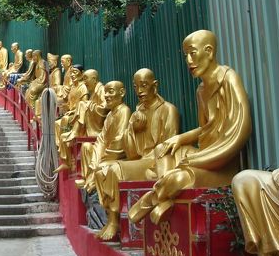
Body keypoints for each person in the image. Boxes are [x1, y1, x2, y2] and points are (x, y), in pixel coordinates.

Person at [129, 30, 252, 224]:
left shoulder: (228, 79)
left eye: (192, 53)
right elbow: (205, 129)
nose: (188, 60)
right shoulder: (201, 90)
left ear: (209, 52)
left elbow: (240, 130)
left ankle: (154, 198)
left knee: (177, 178)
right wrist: (180, 139)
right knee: (163, 149)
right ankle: (165, 198)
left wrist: (197, 160)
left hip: (220, 163)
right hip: (204, 154)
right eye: (185, 55)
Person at [92, 69, 179, 240]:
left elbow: (167, 150)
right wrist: (132, 129)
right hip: (140, 161)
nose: (139, 91)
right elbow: (132, 155)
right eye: (136, 87)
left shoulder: (168, 110)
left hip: (156, 162)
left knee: (114, 170)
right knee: (100, 169)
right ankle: (111, 219)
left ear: (155, 86)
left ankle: (114, 222)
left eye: (144, 85)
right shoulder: (136, 114)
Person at [76, 81, 130, 193]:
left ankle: (92, 180)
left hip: (115, 156)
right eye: (105, 92)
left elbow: (119, 141)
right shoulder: (110, 115)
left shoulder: (124, 111)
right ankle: (89, 178)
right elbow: (101, 140)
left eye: (110, 92)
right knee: (86, 147)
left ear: (122, 93)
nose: (106, 96)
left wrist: (101, 160)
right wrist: (96, 160)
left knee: (101, 166)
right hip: (104, 154)